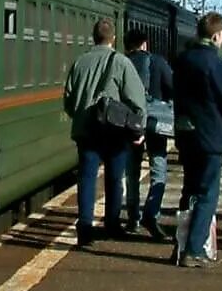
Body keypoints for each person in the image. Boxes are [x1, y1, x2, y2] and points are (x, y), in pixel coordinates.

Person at [169, 11, 222, 266]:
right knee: (207, 194)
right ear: (218, 35)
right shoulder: (215, 64)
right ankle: (194, 250)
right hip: (210, 136)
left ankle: (181, 244)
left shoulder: (183, 60)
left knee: (189, 191)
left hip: (186, 134)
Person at [62, 17, 144, 246]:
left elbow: (68, 99)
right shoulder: (121, 62)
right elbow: (136, 99)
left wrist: (79, 116)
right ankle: (112, 224)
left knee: (87, 179)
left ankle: (85, 227)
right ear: (113, 39)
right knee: (114, 179)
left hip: (86, 131)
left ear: (93, 37)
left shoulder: (80, 62)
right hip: (114, 132)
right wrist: (139, 129)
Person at [123, 27, 175, 242]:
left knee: (132, 172)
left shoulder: (122, 63)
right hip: (155, 124)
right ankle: (151, 214)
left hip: (130, 123)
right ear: (145, 44)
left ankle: (132, 218)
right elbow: (171, 87)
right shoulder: (158, 62)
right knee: (158, 169)